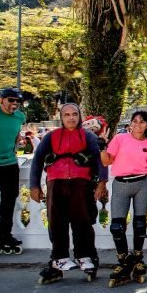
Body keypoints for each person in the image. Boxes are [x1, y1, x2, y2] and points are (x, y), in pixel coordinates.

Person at [29, 102, 106, 283]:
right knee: (56, 222)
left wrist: (101, 183)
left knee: (83, 221)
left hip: (81, 184)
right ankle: (59, 258)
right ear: (61, 118)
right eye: (67, 115)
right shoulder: (51, 137)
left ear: (79, 117)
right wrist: (34, 186)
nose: (71, 118)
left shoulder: (88, 137)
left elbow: (99, 160)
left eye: (74, 114)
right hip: (56, 183)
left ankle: (85, 256)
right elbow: (37, 160)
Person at [101, 110, 147, 287]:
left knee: (140, 224)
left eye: (142, 122)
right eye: (135, 121)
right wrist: (102, 146)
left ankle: (138, 258)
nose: (137, 125)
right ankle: (123, 260)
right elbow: (106, 162)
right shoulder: (120, 138)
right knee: (117, 226)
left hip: (142, 184)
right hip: (121, 183)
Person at [0, 86, 28, 256]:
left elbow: (16, 135)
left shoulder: (20, 117)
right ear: (1, 100)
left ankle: (4, 236)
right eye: (11, 100)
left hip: (8, 164)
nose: (14, 104)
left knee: (9, 202)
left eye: (18, 101)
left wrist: (14, 149)